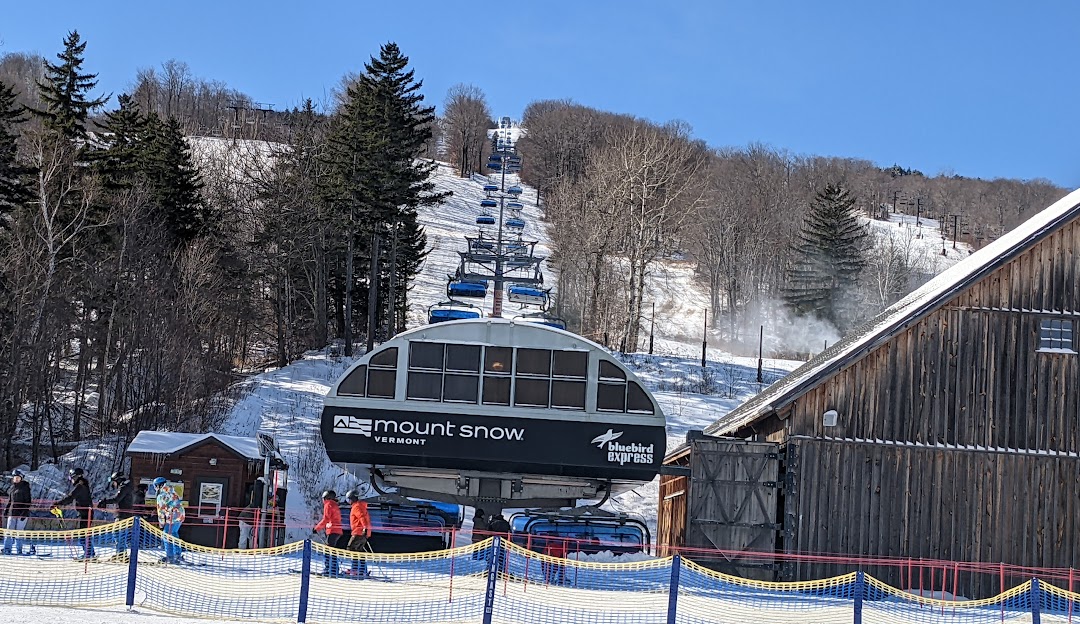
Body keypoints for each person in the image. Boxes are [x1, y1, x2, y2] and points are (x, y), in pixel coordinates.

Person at [53, 467, 95, 560]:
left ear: (76, 477)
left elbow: (70, 497)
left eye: (71, 478)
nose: (71, 480)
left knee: (83, 535)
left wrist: (58, 503)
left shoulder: (80, 486)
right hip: (85, 513)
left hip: (86, 513)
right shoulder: (83, 485)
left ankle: (89, 555)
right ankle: (90, 554)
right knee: (84, 534)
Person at [96, 472, 134, 561]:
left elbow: (116, 499)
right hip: (124, 514)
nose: (114, 484)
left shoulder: (124, 488)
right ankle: (121, 553)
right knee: (120, 534)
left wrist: (104, 502)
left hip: (123, 515)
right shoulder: (126, 487)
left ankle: (121, 554)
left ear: (118, 480)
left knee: (117, 534)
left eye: (114, 482)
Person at [153, 477, 186, 563]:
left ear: (159, 485)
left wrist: (161, 523)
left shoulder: (161, 496)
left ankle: (170, 556)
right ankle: (177, 554)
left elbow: (161, 511)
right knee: (174, 533)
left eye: (155, 486)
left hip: (172, 516)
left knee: (166, 534)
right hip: (180, 515)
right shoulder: (172, 491)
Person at [312, 489, 342, 576]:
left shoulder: (328, 505)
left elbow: (326, 519)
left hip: (333, 530)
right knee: (331, 550)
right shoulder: (335, 505)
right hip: (337, 530)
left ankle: (330, 569)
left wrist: (317, 528)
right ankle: (333, 569)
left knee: (328, 550)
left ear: (326, 498)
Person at [2, 470, 32, 555]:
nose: (16, 479)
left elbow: (28, 501)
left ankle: (19, 550)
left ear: (21, 478)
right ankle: (7, 549)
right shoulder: (12, 488)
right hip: (12, 513)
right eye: (15, 477)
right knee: (9, 532)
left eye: (18, 478)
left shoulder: (25, 487)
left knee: (19, 532)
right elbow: (10, 500)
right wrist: (6, 510)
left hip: (22, 514)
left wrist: (24, 512)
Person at [343, 490, 371, 577]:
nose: (348, 502)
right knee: (359, 551)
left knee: (351, 548)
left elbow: (362, 517)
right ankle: (362, 570)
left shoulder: (357, 507)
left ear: (352, 499)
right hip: (363, 532)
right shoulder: (360, 506)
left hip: (359, 532)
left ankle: (355, 569)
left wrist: (364, 528)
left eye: (348, 500)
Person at [237, 477, 265, 549]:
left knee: (252, 536)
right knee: (245, 535)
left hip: (250, 520)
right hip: (245, 520)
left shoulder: (257, 504)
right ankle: (242, 550)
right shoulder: (256, 504)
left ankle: (252, 550)